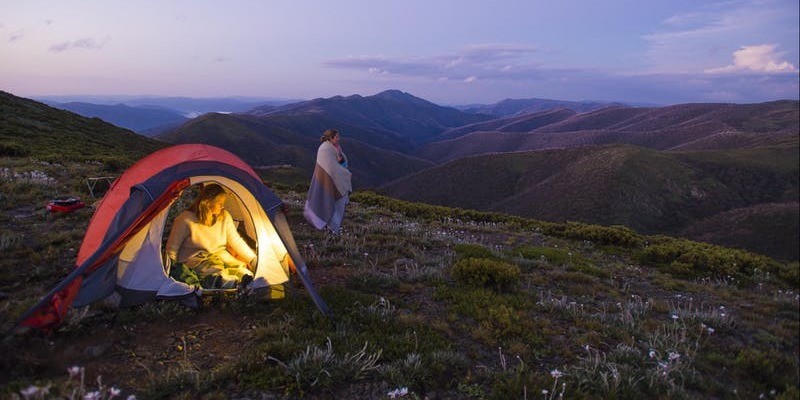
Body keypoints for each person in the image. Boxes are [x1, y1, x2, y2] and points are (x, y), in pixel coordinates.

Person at [165, 183, 255, 289]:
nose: (222, 206)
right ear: (207, 202)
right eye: (219, 203)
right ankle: (228, 284)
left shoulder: (224, 216)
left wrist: (252, 259)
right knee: (213, 272)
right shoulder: (185, 220)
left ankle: (248, 280)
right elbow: (172, 249)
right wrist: (170, 272)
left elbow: (235, 240)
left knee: (240, 268)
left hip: (220, 255)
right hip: (197, 259)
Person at [304, 128, 352, 234]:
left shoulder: (335, 147)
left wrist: (341, 163)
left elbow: (340, 159)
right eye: (337, 137)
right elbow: (329, 167)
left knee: (338, 205)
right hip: (327, 179)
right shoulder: (325, 149)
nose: (339, 138)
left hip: (336, 178)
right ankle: (326, 225)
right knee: (327, 201)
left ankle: (333, 226)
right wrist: (345, 173)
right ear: (331, 138)